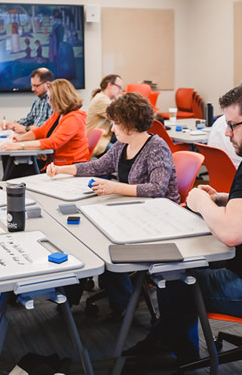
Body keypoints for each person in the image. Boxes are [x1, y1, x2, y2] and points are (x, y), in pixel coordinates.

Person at [123, 82, 242, 371]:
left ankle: (179, 357)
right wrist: (224, 198)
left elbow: (231, 234)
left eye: (232, 125)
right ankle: (167, 341)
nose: (227, 133)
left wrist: (202, 202)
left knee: (173, 276)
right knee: (185, 265)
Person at [47, 92, 179, 320]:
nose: (112, 128)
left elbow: (156, 189)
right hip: (132, 210)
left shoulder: (156, 147)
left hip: (157, 218)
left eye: (116, 123)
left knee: (102, 242)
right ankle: (71, 295)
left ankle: (123, 304)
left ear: (129, 124)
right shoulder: (121, 146)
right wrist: (61, 169)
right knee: (83, 231)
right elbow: (96, 167)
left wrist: (114, 187)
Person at [0, 78, 89, 169]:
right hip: (55, 163)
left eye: (50, 98)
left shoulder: (74, 119)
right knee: (13, 162)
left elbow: (53, 142)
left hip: (69, 166)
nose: (48, 102)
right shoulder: (58, 114)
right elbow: (41, 131)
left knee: (18, 168)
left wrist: (19, 146)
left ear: (59, 100)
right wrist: (20, 138)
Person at [1, 68, 54, 134]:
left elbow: (49, 125)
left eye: (36, 86)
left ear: (47, 84)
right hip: (34, 136)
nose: (32, 89)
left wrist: (27, 129)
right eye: (32, 85)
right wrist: (12, 124)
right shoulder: (37, 99)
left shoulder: (55, 100)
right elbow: (29, 119)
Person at [85, 74, 123, 157]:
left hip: (104, 137)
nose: (120, 91)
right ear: (109, 85)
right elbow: (120, 117)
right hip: (98, 141)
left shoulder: (103, 98)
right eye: (119, 87)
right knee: (121, 155)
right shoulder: (101, 99)